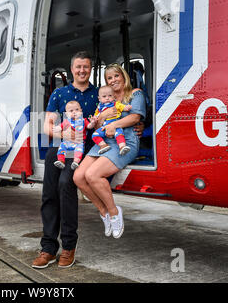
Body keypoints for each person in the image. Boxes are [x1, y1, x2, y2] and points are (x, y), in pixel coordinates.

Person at [32, 51, 102, 269]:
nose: (82, 71)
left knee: (66, 186)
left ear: (90, 70)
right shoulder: (59, 94)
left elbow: (111, 115)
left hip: (85, 150)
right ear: (72, 69)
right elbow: (47, 127)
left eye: (86, 67)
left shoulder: (99, 94)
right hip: (60, 148)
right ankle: (48, 248)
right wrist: (64, 134)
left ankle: (69, 246)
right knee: (49, 194)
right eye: (78, 67)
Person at [73, 63, 146, 239]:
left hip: (125, 141)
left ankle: (114, 212)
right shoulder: (105, 99)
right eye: (109, 78)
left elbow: (135, 117)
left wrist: (114, 124)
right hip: (104, 142)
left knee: (93, 175)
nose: (113, 80)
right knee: (78, 177)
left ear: (123, 76)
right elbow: (97, 124)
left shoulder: (135, 94)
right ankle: (104, 212)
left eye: (116, 76)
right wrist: (103, 117)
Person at [53, 100, 96, 170]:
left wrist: (92, 123)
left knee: (79, 150)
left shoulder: (83, 120)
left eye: (77, 109)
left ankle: (75, 162)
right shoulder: (66, 121)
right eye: (71, 111)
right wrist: (57, 128)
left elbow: (89, 126)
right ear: (67, 114)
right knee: (61, 148)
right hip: (67, 142)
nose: (74, 112)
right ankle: (61, 161)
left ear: (81, 111)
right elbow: (60, 127)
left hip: (78, 142)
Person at [91, 85, 132, 156]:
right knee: (95, 135)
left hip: (115, 124)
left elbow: (122, 107)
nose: (107, 98)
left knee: (119, 134)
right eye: (104, 96)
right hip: (104, 127)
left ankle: (122, 146)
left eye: (110, 96)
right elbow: (96, 115)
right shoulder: (99, 107)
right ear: (99, 98)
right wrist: (94, 119)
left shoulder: (115, 104)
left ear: (113, 97)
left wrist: (126, 107)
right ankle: (103, 145)